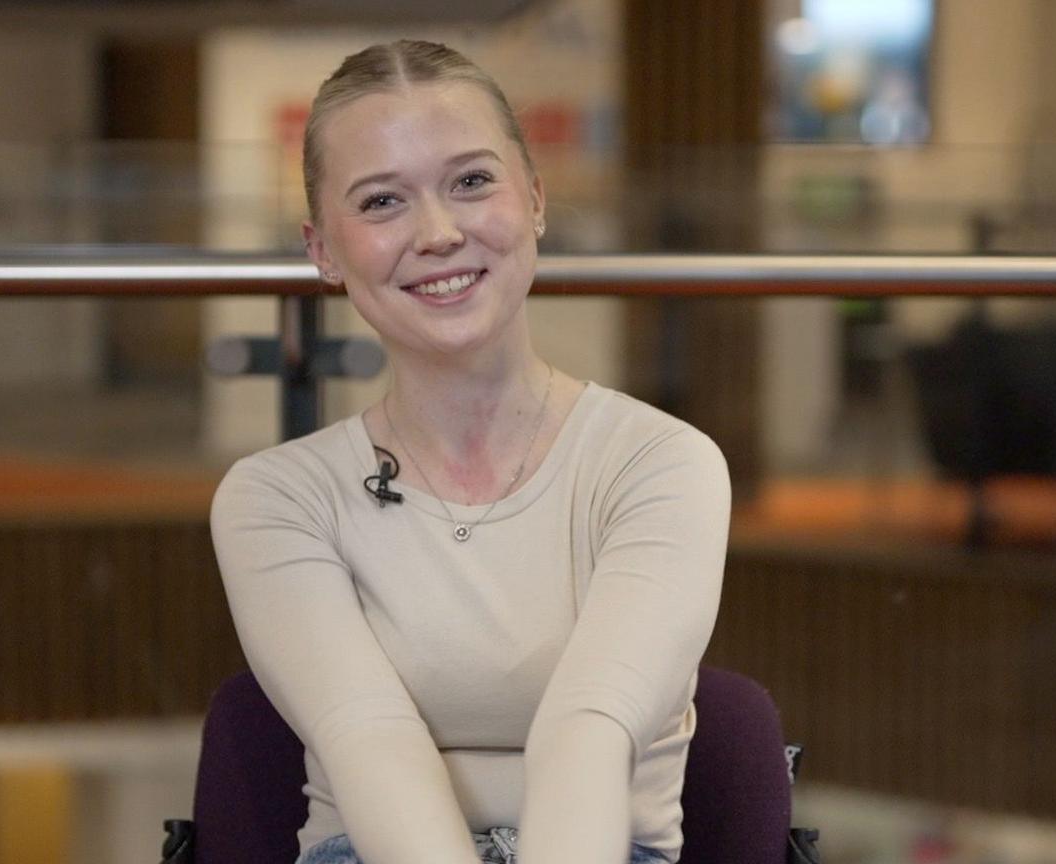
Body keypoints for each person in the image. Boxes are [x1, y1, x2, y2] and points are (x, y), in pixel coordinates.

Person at [210, 40, 731, 864]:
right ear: (322, 250)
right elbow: (369, 742)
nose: (440, 232)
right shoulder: (275, 499)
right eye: (382, 202)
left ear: (534, 200)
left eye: (472, 181)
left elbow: (586, 734)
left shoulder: (662, 465)